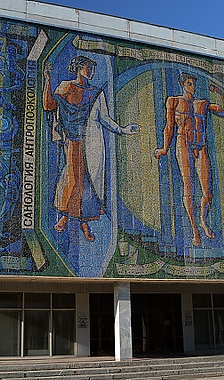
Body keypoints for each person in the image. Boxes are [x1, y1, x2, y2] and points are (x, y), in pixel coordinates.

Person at [43, 55, 138, 242]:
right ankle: (65, 216)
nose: (91, 71)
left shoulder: (96, 92)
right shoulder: (66, 87)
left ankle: (84, 223)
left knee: (90, 182)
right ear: (79, 68)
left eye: (92, 68)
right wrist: (47, 80)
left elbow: (105, 118)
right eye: (88, 67)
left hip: (93, 142)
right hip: (73, 139)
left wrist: (122, 129)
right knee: (73, 177)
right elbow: (49, 105)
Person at [154, 72, 224, 246]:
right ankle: (195, 231)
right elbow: (169, 126)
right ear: (183, 85)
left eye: (194, 84)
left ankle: (203, 221)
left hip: (201, 145)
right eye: (189, 84)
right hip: (184, 143)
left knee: (207, 192)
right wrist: (165, 148)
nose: (193, 87)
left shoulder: (202, 104)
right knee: (189, 188)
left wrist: (220, 92)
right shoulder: (174, 101)